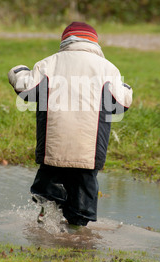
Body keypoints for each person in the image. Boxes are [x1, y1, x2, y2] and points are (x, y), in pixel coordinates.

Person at [8, 22, 133, 227]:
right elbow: (121, 104)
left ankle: (47, 222)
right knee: (82, 202)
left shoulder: (48, 63)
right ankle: (77, 235)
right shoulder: (109, 69)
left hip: (53, 147)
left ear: (65, 41)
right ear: (95, 43)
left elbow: (26, 89)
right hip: (89, 152)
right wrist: (125, 88)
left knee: (48, 193)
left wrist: (18, 71)